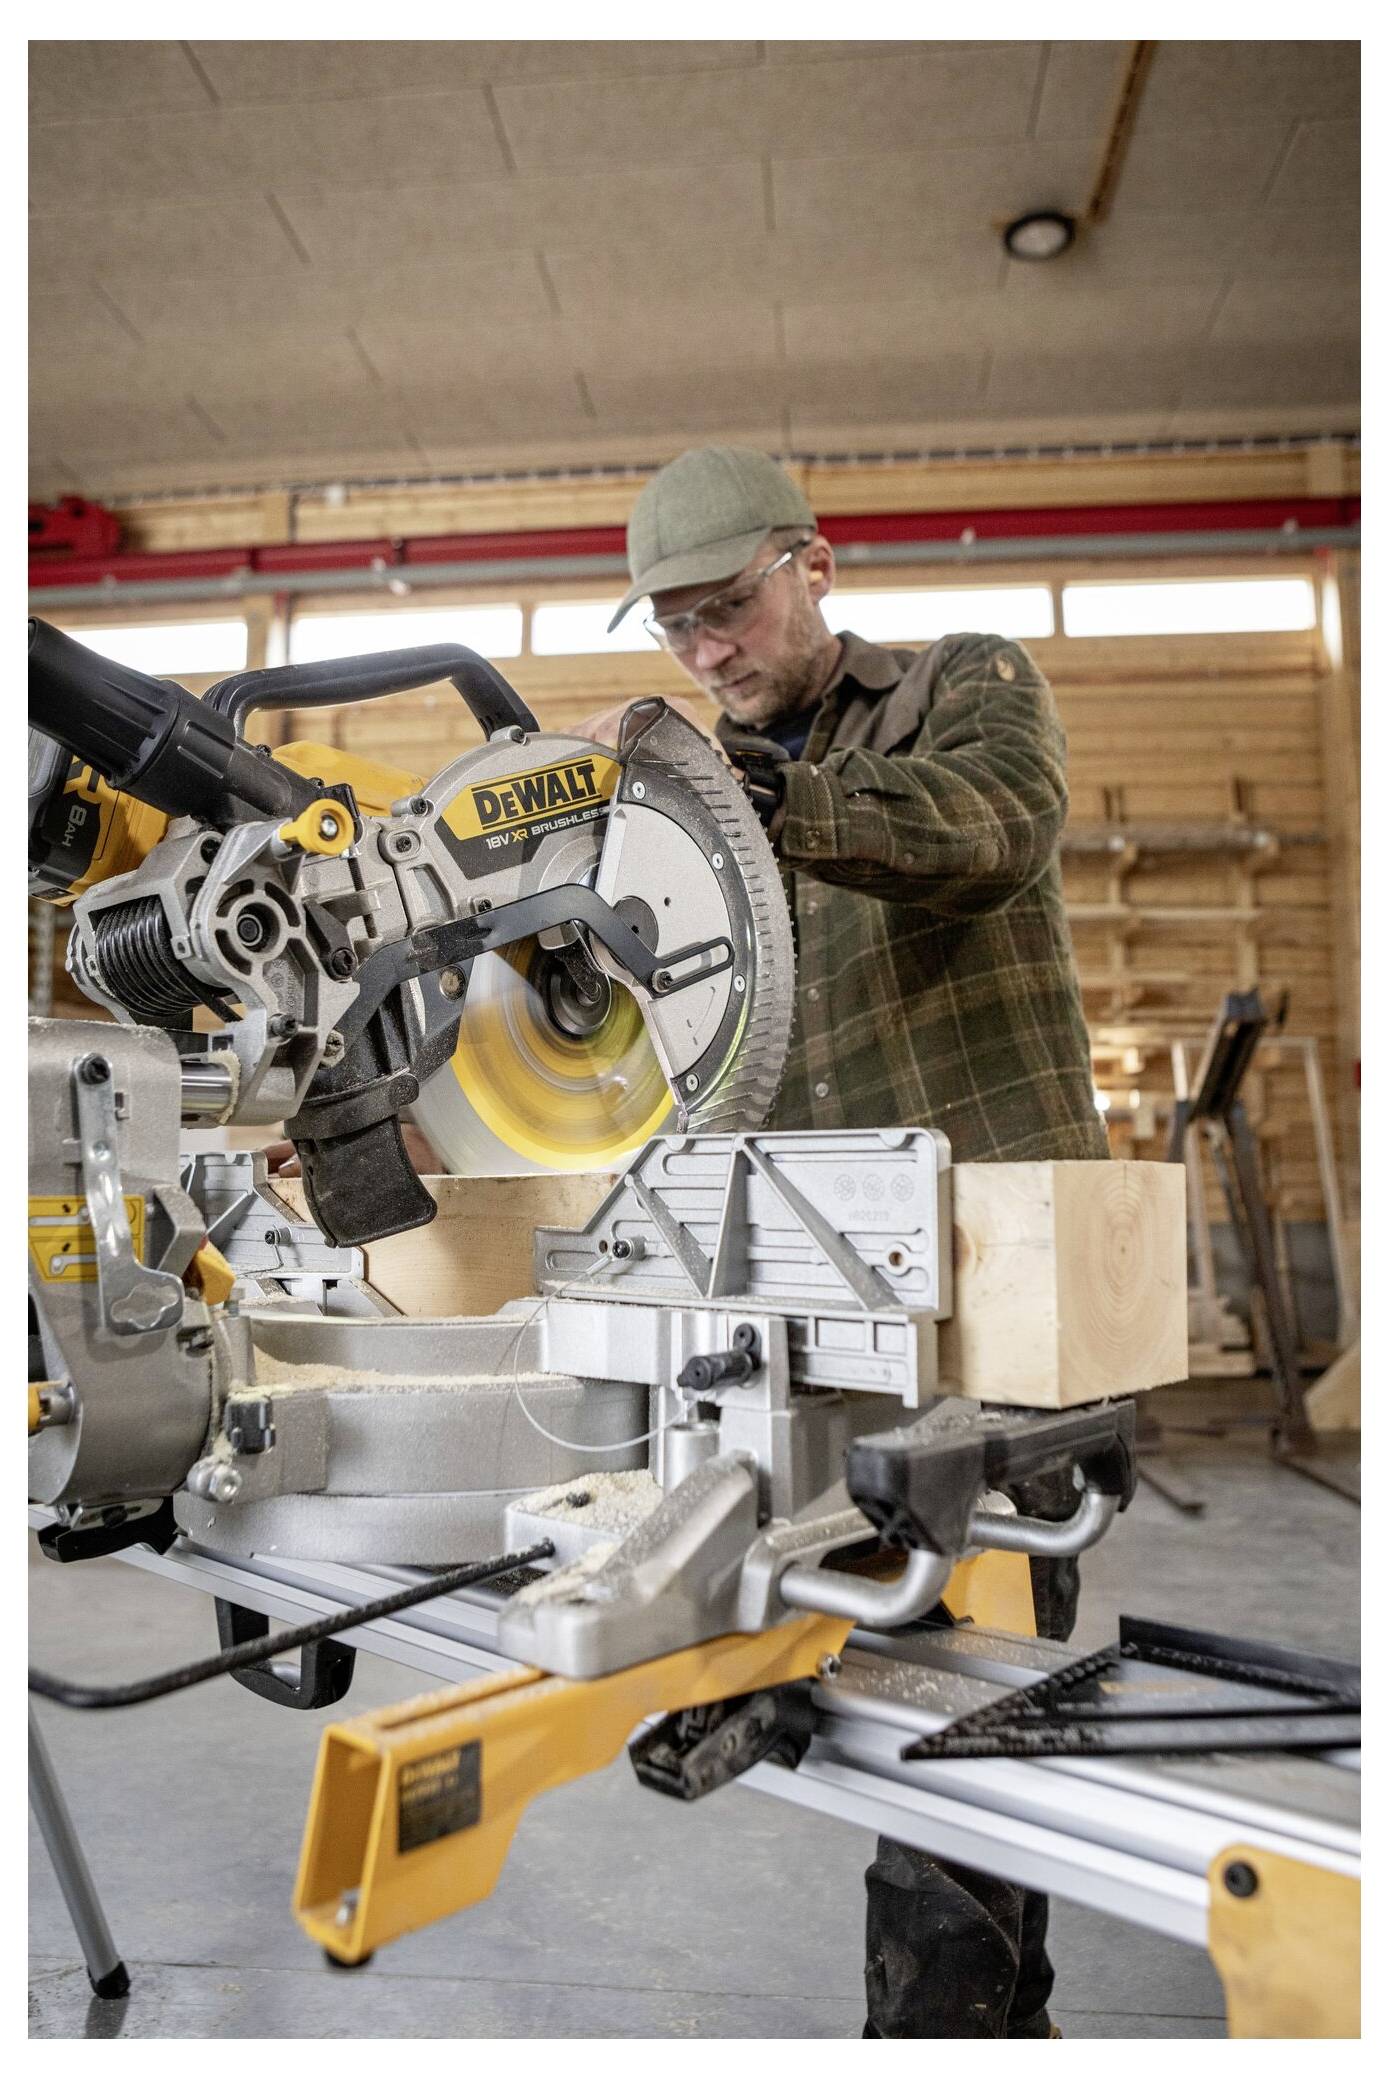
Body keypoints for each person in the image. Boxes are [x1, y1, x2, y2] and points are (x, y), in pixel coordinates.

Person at [605, 444, 1108, 2040]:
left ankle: (946, 2038)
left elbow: (993, 828)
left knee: (962, 1698)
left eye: (730, 608)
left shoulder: (963, 686)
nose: (708, 652)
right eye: (676, 627)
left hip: (1005, 1285)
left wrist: (764, 803)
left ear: (814, 565)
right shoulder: (699, 809)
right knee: (866, 1650)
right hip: (818, 1295)